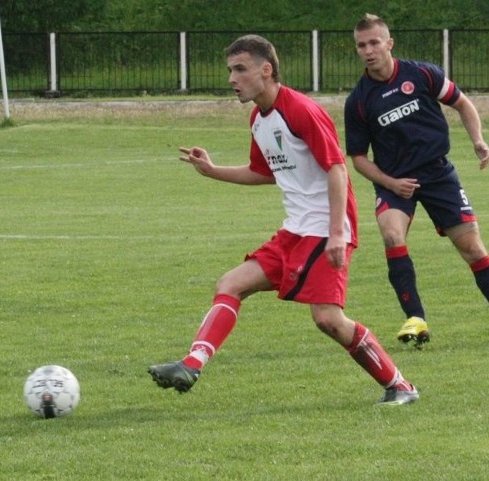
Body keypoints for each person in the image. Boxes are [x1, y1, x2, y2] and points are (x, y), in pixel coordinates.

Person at [148, 34, 419, 405]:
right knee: (230, 284)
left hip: (325, 230)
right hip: (295, 230)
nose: (232, 78)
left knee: (328, 320)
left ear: (266, 69)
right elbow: (264, 171)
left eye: (240, 69)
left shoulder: (301, 110)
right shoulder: (259, 119)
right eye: (230, 70)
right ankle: (191, 364)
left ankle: (401, 386)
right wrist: (212, 171)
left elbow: (337, 169)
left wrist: (338, 233)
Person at [344, 14, 489, 349]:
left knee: (472, 249)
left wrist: (478, 140)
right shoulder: (358, 100)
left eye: (374, 42)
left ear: (389, 44)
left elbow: (462, 104)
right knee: (391, 234)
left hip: (438, 175)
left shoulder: (422, 74)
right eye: (362, 45)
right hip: (395, 181)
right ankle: (415, 319)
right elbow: (358, 158)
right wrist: (390, 182)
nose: (368, 50)